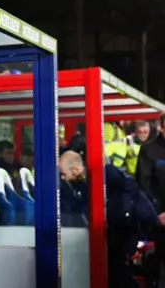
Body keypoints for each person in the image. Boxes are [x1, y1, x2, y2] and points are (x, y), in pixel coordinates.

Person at [59, 151, 165, 288]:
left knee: (117, 269)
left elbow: (130, 197)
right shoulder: (82, 184)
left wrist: (118, 217)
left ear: (76, 169)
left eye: (63, 173)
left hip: (127, 227)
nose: (62, 178)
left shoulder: (106, 174)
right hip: (118, 228)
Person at [137, 114, 165, 286]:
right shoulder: (149, 150)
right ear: (161, 127)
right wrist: (159, 213)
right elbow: (144, 185)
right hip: (160, 221)